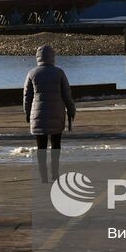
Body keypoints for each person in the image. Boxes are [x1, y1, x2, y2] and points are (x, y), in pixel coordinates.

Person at [24, 44, 75, 183]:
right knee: (56, 146)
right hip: (56, 114)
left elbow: (27, 97)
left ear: (37, 57)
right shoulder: (59, 73)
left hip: (38, 116)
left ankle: (43, 176)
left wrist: (27, 112)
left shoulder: (32, 73)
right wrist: (71, 110)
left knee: (41, 148)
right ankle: (55, 173)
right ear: (53, 57)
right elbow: (67, 94)